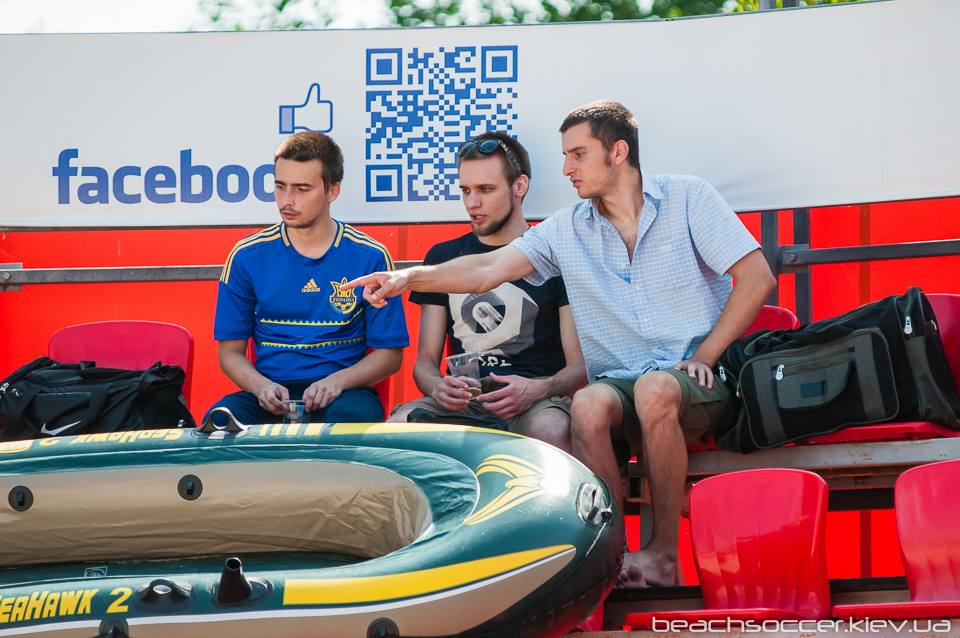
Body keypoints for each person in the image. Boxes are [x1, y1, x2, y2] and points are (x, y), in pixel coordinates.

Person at [344, 100, 776, 588]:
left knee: (654, 388)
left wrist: (705, 354)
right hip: (622, 386)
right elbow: (488, 269)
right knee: (588, 403)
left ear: (617, 152)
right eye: (565, 156)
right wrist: (409, 277)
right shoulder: (567, 228)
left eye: (578, 154)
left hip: (698, 378)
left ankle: (662, 555)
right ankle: (611, 557)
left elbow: (756, 278)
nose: (567, 168)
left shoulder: (688, 197)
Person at [389, 132, 586, 451]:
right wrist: (439, 388)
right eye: (465, 190)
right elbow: (424, 362)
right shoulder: (442, 256)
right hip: (464, 400)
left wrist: (538, 389)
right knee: (397, 427)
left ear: (519, 186)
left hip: (535, 400)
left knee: (551, 428)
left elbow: (578, 368)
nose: (472, 203)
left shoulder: (554, 255)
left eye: (486, 189)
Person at [205, 131, 408, 426]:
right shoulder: (246, 256)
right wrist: (261, 387)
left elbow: (390, 355)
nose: (288, 200)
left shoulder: (370, 256)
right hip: (270, 394)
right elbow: (229, 353)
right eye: (280, 187)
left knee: (353, 419)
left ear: (332, 190)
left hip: (344, 393)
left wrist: (338, 381)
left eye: (302, 189)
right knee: (219, 423)